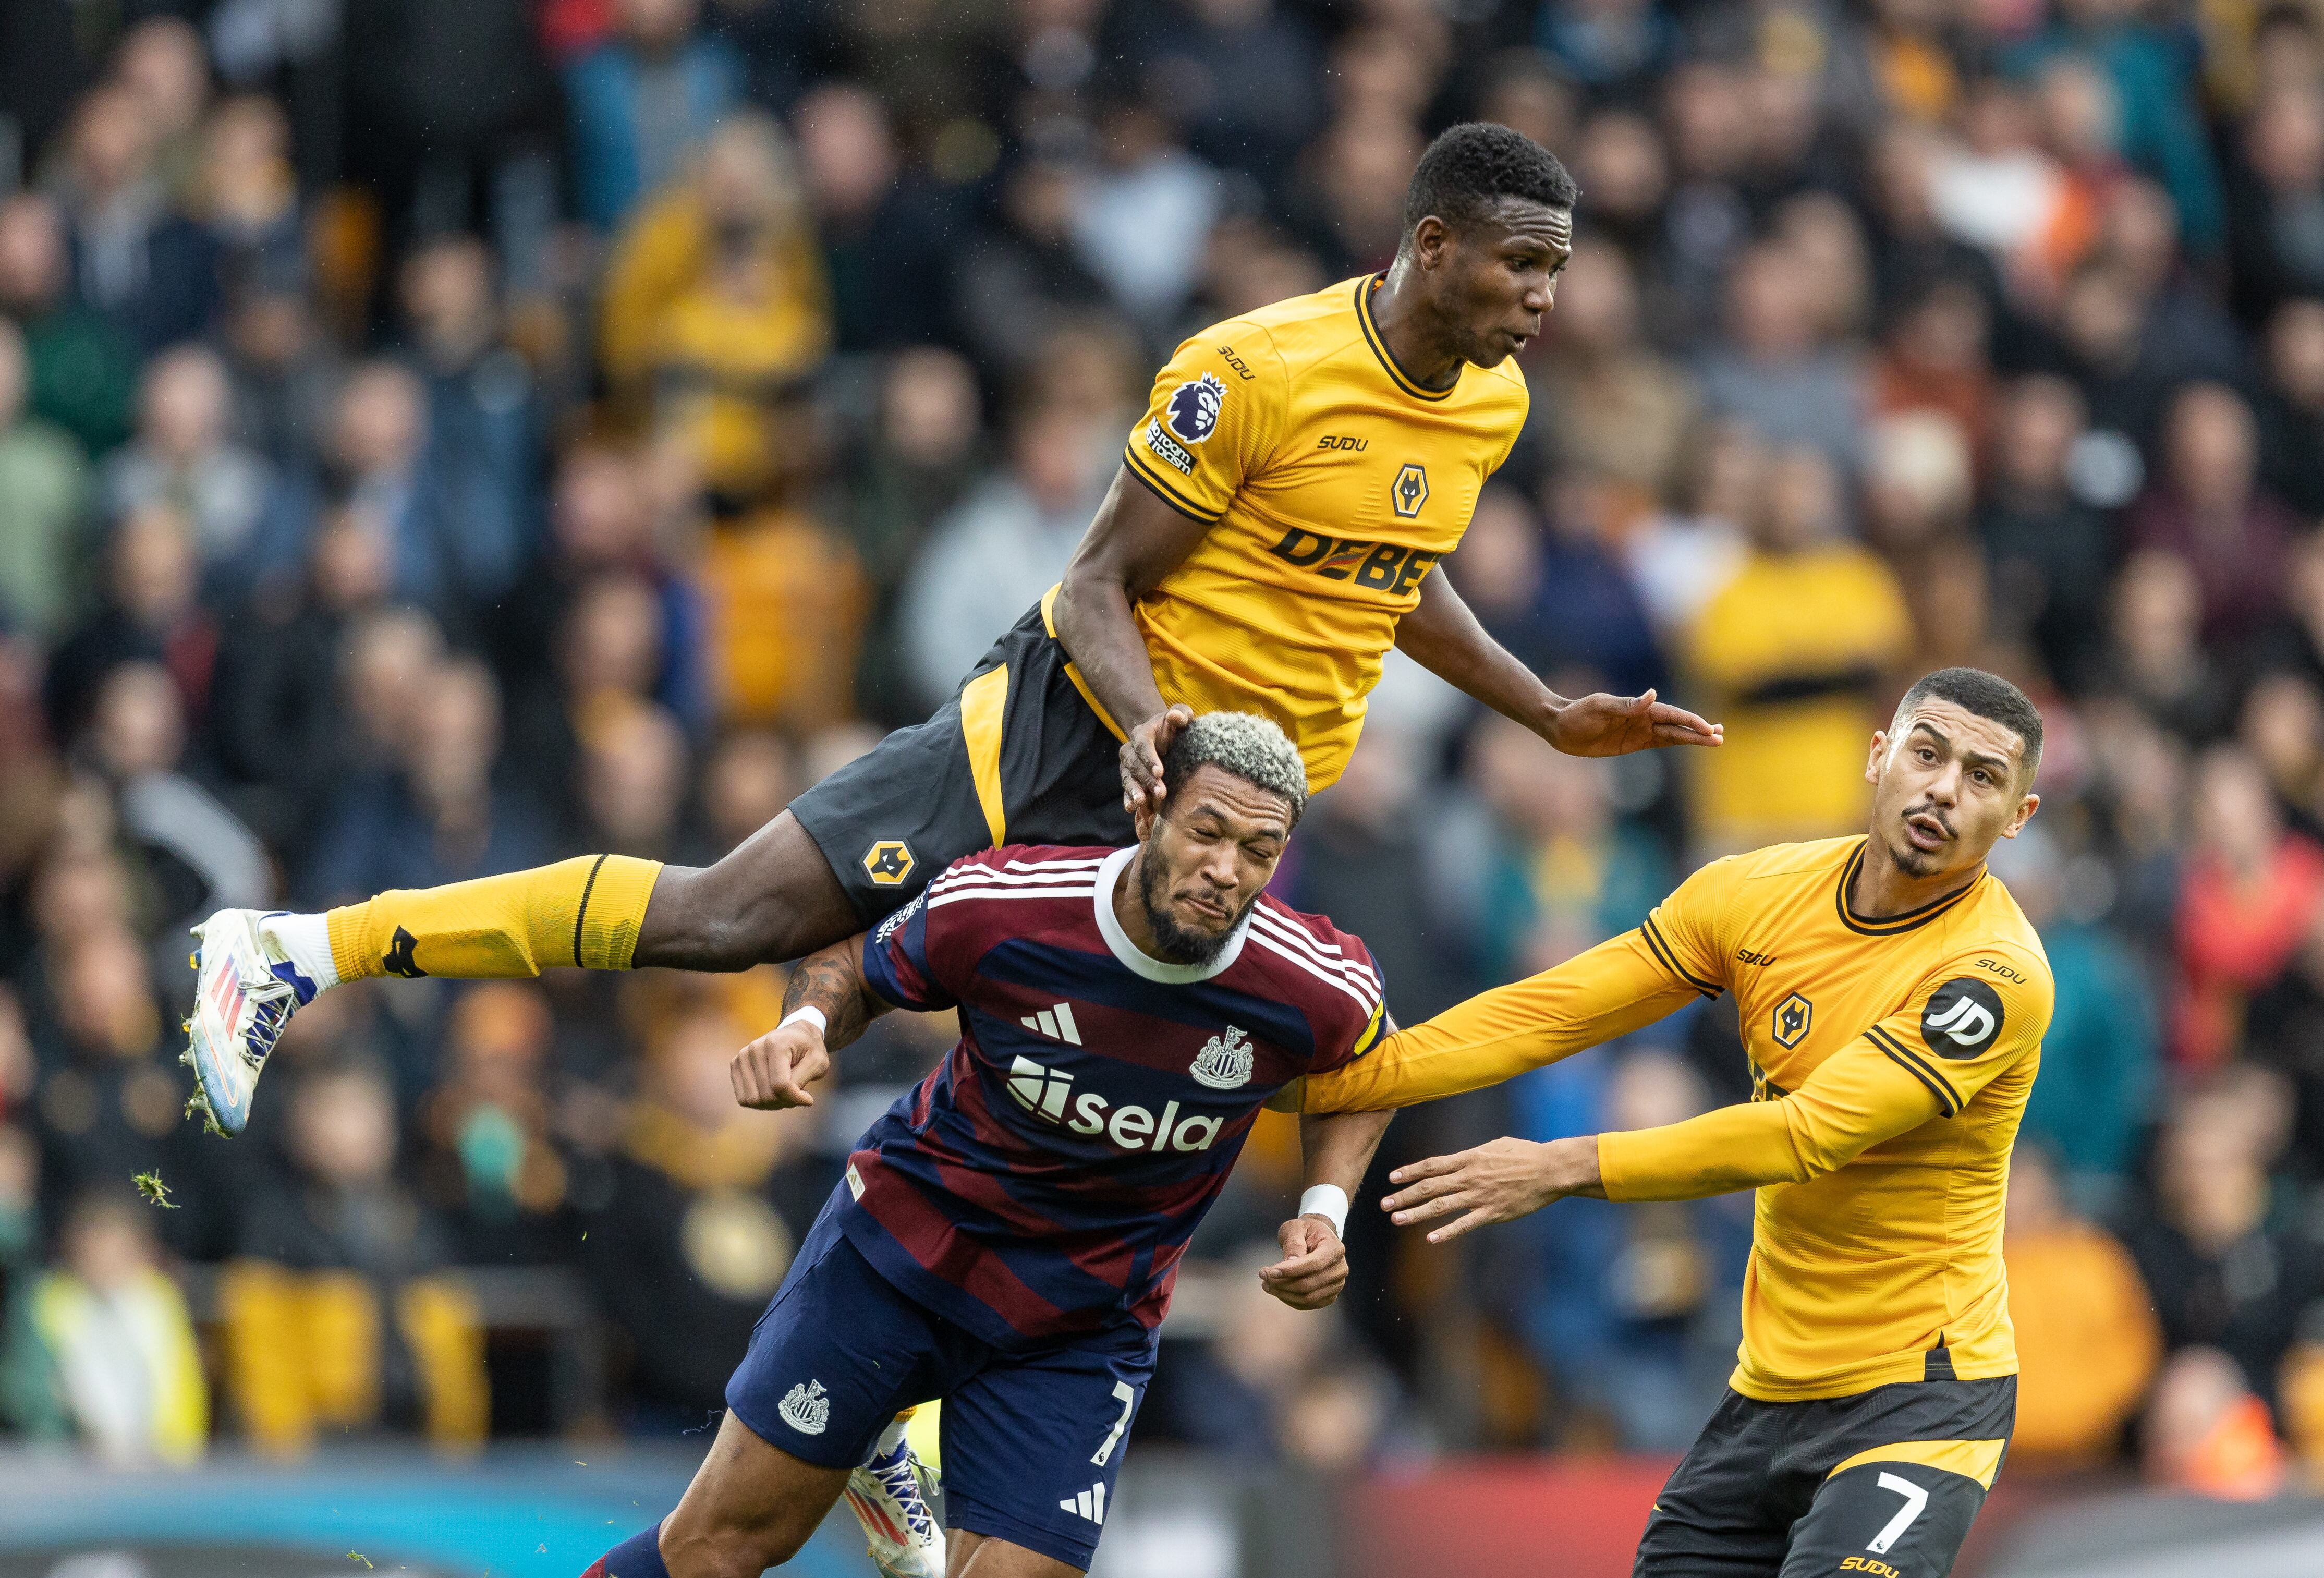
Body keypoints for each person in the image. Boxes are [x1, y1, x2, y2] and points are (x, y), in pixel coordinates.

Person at [186, 120, 1716, 1125]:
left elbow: (1397, 566)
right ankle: (299, 948)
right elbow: (1099, 584)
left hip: (1228, 811)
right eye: (1523, 264)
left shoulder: (1493, 404)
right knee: (738, 920)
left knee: (1077, 1108)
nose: (1543, 300)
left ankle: (875, 1409)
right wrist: (1153, 733)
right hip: (1082, 734)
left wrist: (1542, 710)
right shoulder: (1252, 370)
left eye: (1558, 272)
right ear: (1432, 245)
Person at [583, 713, 1397, 1578]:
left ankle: (889, 1445)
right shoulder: (1005, 905)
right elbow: (859, 964)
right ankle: (878, 1436)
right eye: (1205, 831)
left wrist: (1324, 1208)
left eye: (1258, 850)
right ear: (1146, 811)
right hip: (899, 1258)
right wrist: (808, 1024)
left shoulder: (1313, 980)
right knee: (722, 1546)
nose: (1225, 870)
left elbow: (1372, 1072)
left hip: (1081, 1322)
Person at [1301, 667, 2053, 1578]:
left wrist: (1561, 1165)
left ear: (2017, 816)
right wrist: (1339, 1082)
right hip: (1768, 1390)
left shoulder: (1996, 976)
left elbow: (1802, 1136)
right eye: (1927, 753)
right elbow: (1552, 1011)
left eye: (1982, 776)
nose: (1942, 786)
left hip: (1919, 1401)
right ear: (1878, 755)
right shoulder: (1751, 896)